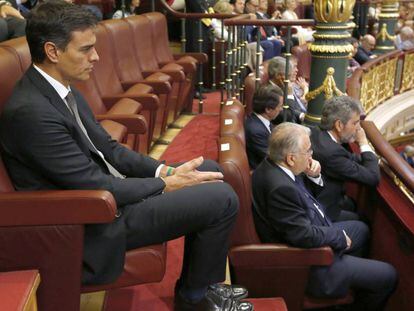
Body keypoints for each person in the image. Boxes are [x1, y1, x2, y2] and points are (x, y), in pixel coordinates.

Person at [0, 2, 254, 310]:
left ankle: (202, 287)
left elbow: (110, 149)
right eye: (86, 49)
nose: (96, 57)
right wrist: (166, 186)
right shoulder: (31, 112)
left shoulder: (60, 88)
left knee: (213, 170)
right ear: (53, 51)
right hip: (89, 220)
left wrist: (164, 171)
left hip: (107, 195)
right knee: (221, 197)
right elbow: (91, 184)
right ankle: (196, 298)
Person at [252, 122, 398, 311]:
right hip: (311, 264)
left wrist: (314, 176)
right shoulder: (280, 188)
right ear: (291, 158)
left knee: (362, 230)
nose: (311, 155)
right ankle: (338, 283)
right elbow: (302, 235)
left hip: (317, 227)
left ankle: (347, 286)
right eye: (308, 151)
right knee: (389, 275)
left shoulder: (273, 163)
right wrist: (338, 237)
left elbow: (302, 199)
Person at [310, 96, 380, 222]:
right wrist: (363, 142)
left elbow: (349, 158)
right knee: (362, 227)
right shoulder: (332, 153)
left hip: (327, 198)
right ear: (339, 125)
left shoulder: (318, 132)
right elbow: (372, 178)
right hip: (322, 211)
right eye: (355, 123)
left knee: (352, 205)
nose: (359, 128)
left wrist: (372, 159)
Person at [245, 84, 283, 169]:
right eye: (280, 106)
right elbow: (274, 159)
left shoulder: (259, 120)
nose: (281, 109)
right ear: (268, 109)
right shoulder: (256, 131)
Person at [267, 56, 305, 124]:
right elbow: (287, 116)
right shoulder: (270, 92)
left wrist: (300, 115)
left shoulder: (281, 87)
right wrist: (289, 94)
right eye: (288, 75)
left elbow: (292, 109)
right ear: (278, 76)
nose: (290, 79)